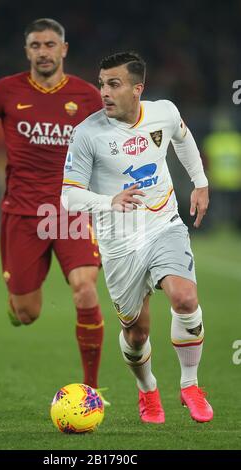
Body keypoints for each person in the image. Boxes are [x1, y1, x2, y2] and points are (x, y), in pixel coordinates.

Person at [0, 18, 109, 402]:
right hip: (23, 213)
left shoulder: (88, 96)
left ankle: (90, 391)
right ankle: (18, 301)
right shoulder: (6, 90)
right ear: (27, 51)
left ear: (63, 49)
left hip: (71, 211)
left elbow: (116, 140)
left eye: (50, 44)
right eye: (35, 45)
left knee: (84, 290)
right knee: (27, 313)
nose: (43, 51)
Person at [62, 51, 213, 423]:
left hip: (164, 224)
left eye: (114, 84)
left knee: (185, 296)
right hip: (119, 243)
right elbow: (68, 196)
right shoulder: (87, 134)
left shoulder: (163, 111)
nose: (105, 92)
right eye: (101, 84)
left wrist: (200, 182)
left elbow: (183, 137)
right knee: (135, 333)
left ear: (137, 89)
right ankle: (148, 392)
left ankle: (190, 385)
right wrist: (108, 200)